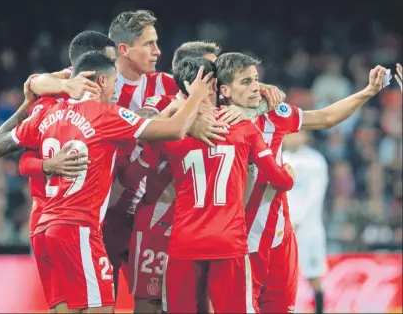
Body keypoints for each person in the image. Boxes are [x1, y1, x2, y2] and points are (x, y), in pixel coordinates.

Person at [0, 51, 214, 313]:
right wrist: (197, 94)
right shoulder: (105, 115)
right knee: (102, 308)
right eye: (115, 82)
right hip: (79, 230)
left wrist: (27, 104)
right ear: (102, 82)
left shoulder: (46, 113)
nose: (116, 91)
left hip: (43, 232)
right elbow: (175, 129)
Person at [215, 52, 388, 313]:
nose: (255, 87)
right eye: (246, 81)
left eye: (256, 80)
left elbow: (326, 117)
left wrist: (367, 92)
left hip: (279, 237)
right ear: (224, 89)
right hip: (238, 240)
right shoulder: (210, 122)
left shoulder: (275, 114)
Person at [141, 56, 295, 313]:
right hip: (229, 242)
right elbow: (280, 180)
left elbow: (138, 170)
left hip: (183, 242)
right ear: (214, 86)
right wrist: (289, 174)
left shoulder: (169, 132)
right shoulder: (243, 127)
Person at [19, 31, 120, 244]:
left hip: (96, 217)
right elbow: (2, 147)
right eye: (110, 61)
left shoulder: (111, 92)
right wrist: (47, 164)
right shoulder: (53, 98)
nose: (114, 68)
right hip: (59, 219)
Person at [283, 131, 329, 314]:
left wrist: (297, 219)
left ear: (305, 136)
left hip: (309, 228)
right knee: (282, 275)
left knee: (313, 275)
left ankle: (319, 310)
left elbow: (314, 194)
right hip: (284, 228)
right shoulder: (280, 158)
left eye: (296, 134)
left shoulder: (315, 161)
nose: (292, 138)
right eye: (288, 134)